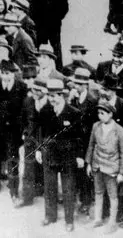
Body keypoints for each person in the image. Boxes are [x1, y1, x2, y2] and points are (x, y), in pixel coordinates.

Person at [36, 77, 83, 232]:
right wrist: (38, 150)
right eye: (49, 96)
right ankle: (50, 216)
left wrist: (79, 156)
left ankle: (69, 220)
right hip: (49, 154)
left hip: (67, 156)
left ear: (62, 95)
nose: (52, 99)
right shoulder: (44, 111)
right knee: (49, 186)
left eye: (55, 96)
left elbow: (79, 137)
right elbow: (40, 132)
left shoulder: (74, 113)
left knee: (68, 188)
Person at [85, 99, 123, 229]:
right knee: (98, 192)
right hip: (97, 164)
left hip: (112, 168)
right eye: (99, 113)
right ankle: (98, 219)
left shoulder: (120, 131)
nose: (100, 115)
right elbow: (91, 145)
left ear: (111, 114)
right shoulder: (96, 126)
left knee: (113, 196)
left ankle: (112, 222)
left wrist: (122, 173)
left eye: (103, 113)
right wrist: (88, 163)